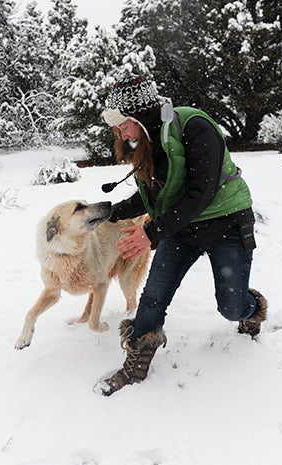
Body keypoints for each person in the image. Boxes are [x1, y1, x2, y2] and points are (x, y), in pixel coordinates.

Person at [95, 76, 268, 396]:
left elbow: (201, 193)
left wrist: (151, 232)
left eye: (123, 124)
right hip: (181, 228)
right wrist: (108, 213)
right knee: (153, 297)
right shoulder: (147, 144)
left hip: (226, 222)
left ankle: (251, 307)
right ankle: (137, 364)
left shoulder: (194, 126)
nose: (121, 134)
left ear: (140, 114)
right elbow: (152, 197)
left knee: (230, 307)